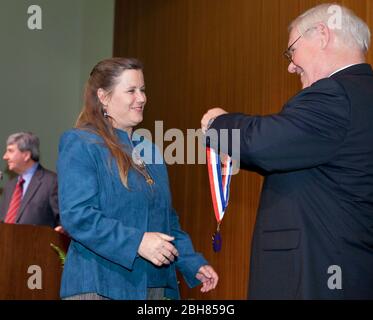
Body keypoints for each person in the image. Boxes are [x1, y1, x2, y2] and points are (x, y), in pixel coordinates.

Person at [201, 3, 373, 299]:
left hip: (317, 276)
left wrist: (219, 123)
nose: (290, 65)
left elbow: (266, 144)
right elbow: (295, 154)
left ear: (321, 35)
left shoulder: (334, 94)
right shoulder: (361, 96)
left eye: (291, 50)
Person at [57, 57, 218, 300]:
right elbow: (78, 216)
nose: (141, 98)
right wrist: (136, 243)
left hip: (154, 287)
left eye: (142, 90)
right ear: (103, 96)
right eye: (131, 90)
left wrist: (191, 262)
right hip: (100, 285)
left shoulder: (150, 151)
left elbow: (167, 221)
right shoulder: (80, 142)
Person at [0, 132, 60, 229]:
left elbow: (62, 222)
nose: (5, 157)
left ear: (26, 155)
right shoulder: (10, 186)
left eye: (10, 151)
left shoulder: (51, 182)